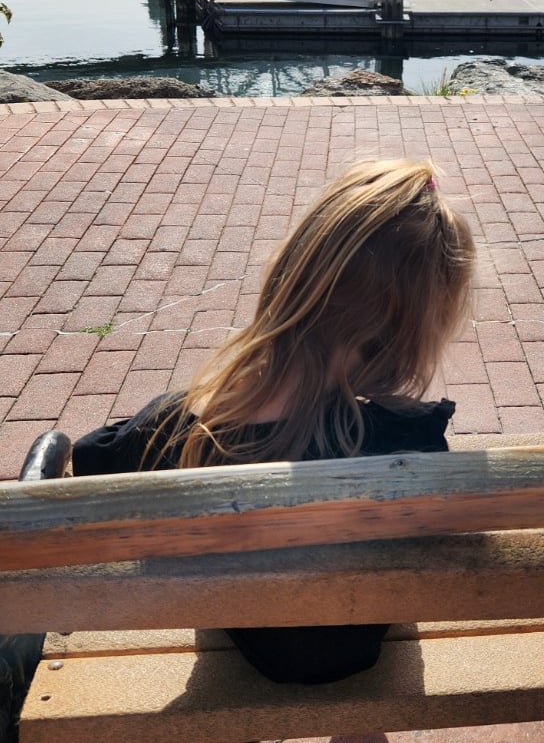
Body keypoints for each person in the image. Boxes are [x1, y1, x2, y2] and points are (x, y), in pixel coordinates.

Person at [72, 158, 476, 684]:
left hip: (248, 636)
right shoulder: (408, 442)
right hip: (354, 642)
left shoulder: (170, 430)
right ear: (409, 334)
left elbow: (88, 457)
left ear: (291, 274)